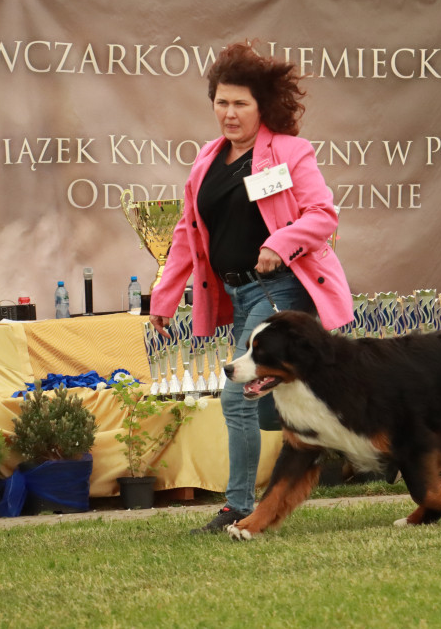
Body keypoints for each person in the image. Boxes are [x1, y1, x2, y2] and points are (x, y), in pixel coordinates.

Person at [148, 42, 354, 534]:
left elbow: (323, 215)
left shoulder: (288, 151)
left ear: (262, 106)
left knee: (236, 397)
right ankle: (348, 457)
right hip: (238, 294)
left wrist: (280, 244)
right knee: (292, 398)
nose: (229, 112)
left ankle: (239, 506)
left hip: (279, 289)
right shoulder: (207, 158)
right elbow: (187, 231)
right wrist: (166, 294)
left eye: (240, 103)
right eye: (221, 102)